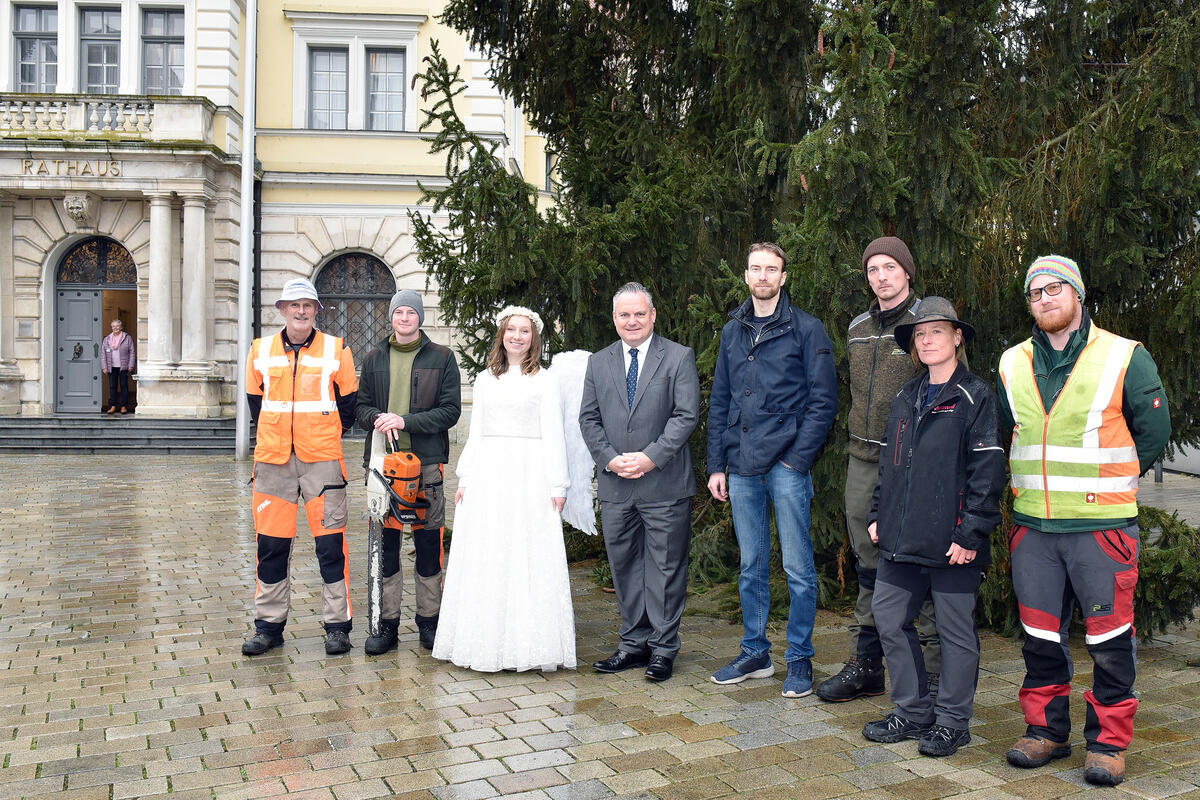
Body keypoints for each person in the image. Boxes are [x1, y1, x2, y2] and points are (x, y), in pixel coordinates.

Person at [998, 256, 1170, 786]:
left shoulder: (1124, 356)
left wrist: (1107, 485)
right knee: (1039, 636)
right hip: (1034, 530)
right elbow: (1010, 433)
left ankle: (1109, 742)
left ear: (1077, 294)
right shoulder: (1011, 362)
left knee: (1111, 637)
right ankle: (1046, 732)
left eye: (1055, 289)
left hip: (1101, 531)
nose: (1045, 299)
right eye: (1035, 293)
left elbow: (1154, 431)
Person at [860, 297, 1006, 757]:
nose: (927, 340)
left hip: (953, 543)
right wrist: (878, 514)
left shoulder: (976, 396)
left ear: (957, 337)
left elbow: (988, 472)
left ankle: (952, 722)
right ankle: (912, 710)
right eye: (920, 334)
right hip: (901, 539)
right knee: (888, 617)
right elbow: (891, 465)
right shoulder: (906, 396)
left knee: (955, 632)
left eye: (937, 332)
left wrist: (971, 534)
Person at [706, 242, 838, 697]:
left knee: (798, 567)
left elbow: (824, 403)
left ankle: (799, 659)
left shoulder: (807, 329)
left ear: (784, 277)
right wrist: (715, 465)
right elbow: (720, 400)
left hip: (786, 465)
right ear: (746, 276)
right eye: (755, 268)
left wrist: (796, 460)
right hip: (740, 465)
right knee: (751, 565)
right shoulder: (732, 331)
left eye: (772, 269)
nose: (763, 276)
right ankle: (755, 652)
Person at [819, 236, 941, 702]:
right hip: (863, 460)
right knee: (869, 563)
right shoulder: (857, 327)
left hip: (913, 464)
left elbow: (950, 388)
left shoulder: (927, 325)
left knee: (916, 562)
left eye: (890, 267)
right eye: (873, 269)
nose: (882, 276)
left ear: (907, 272)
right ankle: (867, 665)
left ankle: (931, 673)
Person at [432, 306, 574, 671]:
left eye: (524, 331)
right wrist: (466, 477)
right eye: (511, 330)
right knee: (489, 551)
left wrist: (558, 482)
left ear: (534, 338)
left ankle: (527, 645)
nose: (517, 336)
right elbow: (476, 431)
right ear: (502, 335)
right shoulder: (485, 379)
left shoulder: (544, 380)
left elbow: (554, 435)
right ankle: (486, 641)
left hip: (530, 472)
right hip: (490, 472)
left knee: (526, 552)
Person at [579, 282, 700, 683]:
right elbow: (589, 419)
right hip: (616, 484)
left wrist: (650, 457)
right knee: (625, 566)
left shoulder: (678, 357)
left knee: (666, 568)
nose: (632, 321)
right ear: (614, 319)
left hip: (664, 483)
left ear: (653, 316)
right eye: (624, 315)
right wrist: (611, 460)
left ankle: (663, 649)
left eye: (639, 314)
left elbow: (685, 416)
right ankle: (633, 644)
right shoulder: (598, 363)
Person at [242, 278, 358, 656]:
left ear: (316, 310)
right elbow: (254, 401)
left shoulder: (337, 349)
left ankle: (337, 626)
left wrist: (322, 433)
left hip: (322, 460)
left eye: (308, 304)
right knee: (271, 547)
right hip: (273, 460)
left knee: (330, 546)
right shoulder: (259, 350)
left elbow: (350, 404)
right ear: (282, 309)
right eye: (294, 304)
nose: (301, 310)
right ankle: (268, 627)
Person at [355, 289, 462, 654]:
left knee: (429, 544)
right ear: (392, 317)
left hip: (427, 464)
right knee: (386, 546)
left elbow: (450, 412)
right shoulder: (373, 358)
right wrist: (376, 418)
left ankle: (429, 622)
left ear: (420, 318)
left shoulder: (442, 358)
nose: (404, 318)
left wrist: (407, 420)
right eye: (398, 312)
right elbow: (361, 408)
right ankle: (387, 626)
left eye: (410, 313)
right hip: (383, 465)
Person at [101, 318, 135, 414]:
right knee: (113, 387)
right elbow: (103, 354)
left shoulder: (127, 338)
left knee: (124, 386)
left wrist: (131, 365)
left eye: (117, 326)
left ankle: (123, 406)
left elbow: (132, 352)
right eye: (113, 326)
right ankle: (113, 406)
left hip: (123, 367)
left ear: (121, 327)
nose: (115, 328)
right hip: (111, 367)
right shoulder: (107, 339)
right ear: (111, 328)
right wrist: (104, 367)